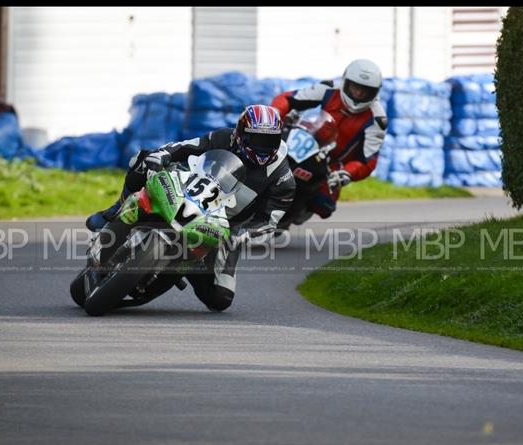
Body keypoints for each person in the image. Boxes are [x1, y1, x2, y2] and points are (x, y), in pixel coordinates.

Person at [86, 104, 295, 312]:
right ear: (241, 134)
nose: (262, 147)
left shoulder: (283, 180)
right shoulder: (224, 137)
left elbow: (269, 222)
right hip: (189, 192)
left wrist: (241, 236)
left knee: (219, 299)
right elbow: (187, 146)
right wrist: (163, 155)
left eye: (269, 141)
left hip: (223, 227)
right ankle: (115, 210)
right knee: (143, 160)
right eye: (256, 139)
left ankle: (185, 267)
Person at [271, 59, 388, 219]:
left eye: (365, 90)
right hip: (304, 140)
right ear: (346, 82)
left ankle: (293, 214)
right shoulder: (329, 88)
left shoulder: (377, 119)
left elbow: (368, 160)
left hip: (331, 163)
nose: (359, 94)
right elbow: (289, 99)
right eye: (355, 87)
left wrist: (346, 173)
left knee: (324, 206)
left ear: (375, 92)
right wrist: (275, 114)